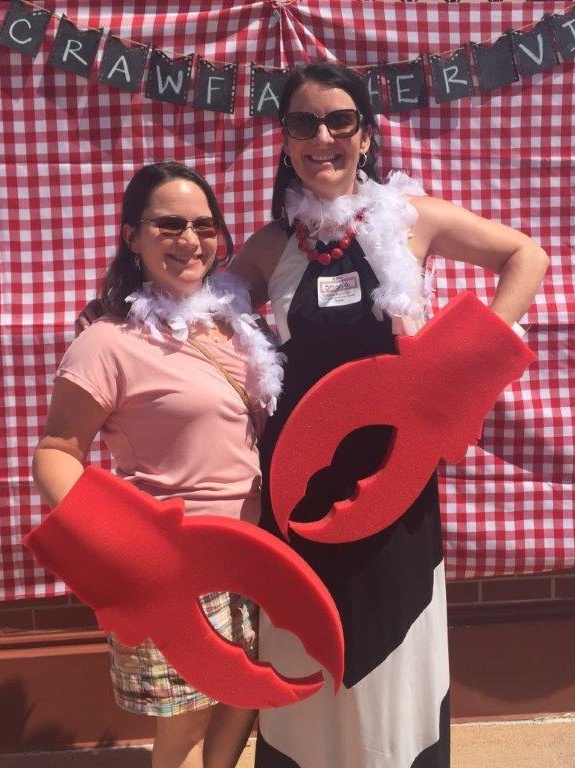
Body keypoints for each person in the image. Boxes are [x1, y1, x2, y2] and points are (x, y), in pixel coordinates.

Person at [229, 63, 549, 768]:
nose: (322, 137)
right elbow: (199, 316)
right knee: (304, 646)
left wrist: (466, 369)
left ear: (365, 137)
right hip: (296, 491)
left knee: (392, 656)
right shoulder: (267, 248)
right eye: (303, 123)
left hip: (394, 483)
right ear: (283, 142)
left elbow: (525, 256)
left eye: (339, 120)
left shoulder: (413, 220)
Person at [32, 161, 283, 768]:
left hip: (256, 551)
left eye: (204, 225)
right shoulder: (107, 342)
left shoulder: (239, 329)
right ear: (132, 236)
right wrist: (120, 543)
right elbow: (57, 451)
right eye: (169, 225)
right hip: (176, 561)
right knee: (189, 710)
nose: (190, 241)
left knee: (244, 695)